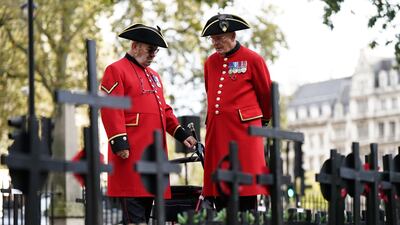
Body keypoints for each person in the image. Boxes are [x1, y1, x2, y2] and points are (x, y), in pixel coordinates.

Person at [100, 23, 197, 224]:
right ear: (135, 46)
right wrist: (119, 142)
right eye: (150, 49)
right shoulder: (116, 69)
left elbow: (165, 110)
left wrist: (182, 135)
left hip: (154, 160)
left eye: (156, 50)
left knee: (148, 218)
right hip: (131, 156)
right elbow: (109, 107)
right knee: (135, 220)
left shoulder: (155, 77)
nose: (154, 54)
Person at [201, 14, 272, 211]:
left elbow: (266, 94)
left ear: (232, 35)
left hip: (243, 133)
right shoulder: (210, 63)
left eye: (220, 38)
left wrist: (262, 121)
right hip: (218, 133)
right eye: (213, 39)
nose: (216, 43)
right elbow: (210, 92)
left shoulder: (253, 59)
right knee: (220, 188)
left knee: (245, 190)